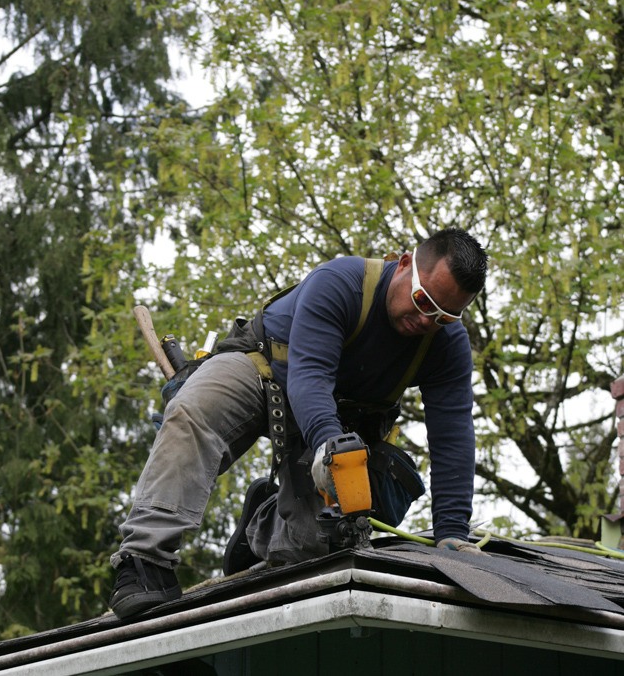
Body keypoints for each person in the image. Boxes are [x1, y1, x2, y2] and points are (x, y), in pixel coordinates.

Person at [109, 227, 488, 619]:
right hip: (267, 372)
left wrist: (452, 533)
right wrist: (328, 445)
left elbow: (453, 437)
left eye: (444, 315)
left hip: (340, 419)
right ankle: (144, 562)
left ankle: (262, 525)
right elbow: (309, 377)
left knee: (322, 548)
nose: (427, 320)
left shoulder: (447, 347)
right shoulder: (341, 283)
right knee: (195, 409)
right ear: (404, 263)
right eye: (423, 301)